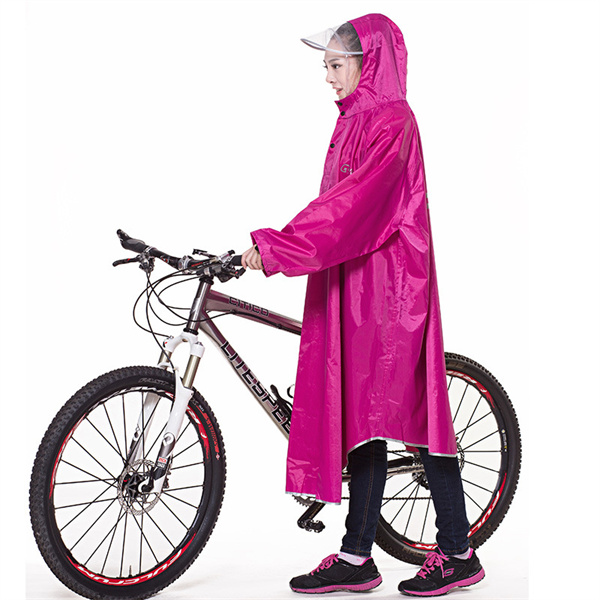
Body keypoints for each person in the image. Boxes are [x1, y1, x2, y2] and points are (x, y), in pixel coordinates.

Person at [241, 14, 485, 597]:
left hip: (393, 290)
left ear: (367, 61)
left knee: (414, 414)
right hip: (354, 284)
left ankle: (458, 550)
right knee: (362, 415)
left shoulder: (393, 121)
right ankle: (357, 556)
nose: (327, 76)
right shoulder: (352, 121)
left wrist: (278, 247)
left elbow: (353, 206)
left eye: (335, 64)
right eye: (325, 65)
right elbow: (339, 208)